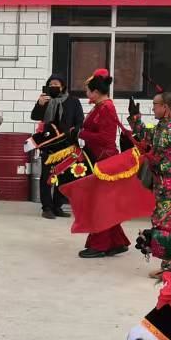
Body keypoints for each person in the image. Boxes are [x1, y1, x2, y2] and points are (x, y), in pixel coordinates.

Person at [128, 92, 171, 275]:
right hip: (163, 184)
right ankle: (170, 264)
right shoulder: (162, 127)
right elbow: (144, 135)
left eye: (155, 105)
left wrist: (163, 166)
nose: (153, 109)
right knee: (161, 222)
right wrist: (135, 118)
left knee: (167, 225)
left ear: (165, 107)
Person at [77, 70, 130, 258]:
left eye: (88, 91)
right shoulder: (101, 106)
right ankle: (116, 242)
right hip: (98, 158)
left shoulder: (106, 108)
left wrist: (80, 133)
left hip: (105, 160)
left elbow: (105, 138)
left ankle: (99, 245)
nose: (86, 94)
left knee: (99, 203)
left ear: (96, 92)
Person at [31, 74, 84, 220]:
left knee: (64, 176)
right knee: (47, 177)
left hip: (67, 146)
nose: (53, 86)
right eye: (51, 84)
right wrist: (40, 104)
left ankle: (57, 206)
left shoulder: (73, 101)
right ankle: (47, 207)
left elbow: (80, 120)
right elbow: (35, 116)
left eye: (56, 84)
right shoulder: (45, 100)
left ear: (63, 86)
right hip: (49, 145)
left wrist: (74, 131)